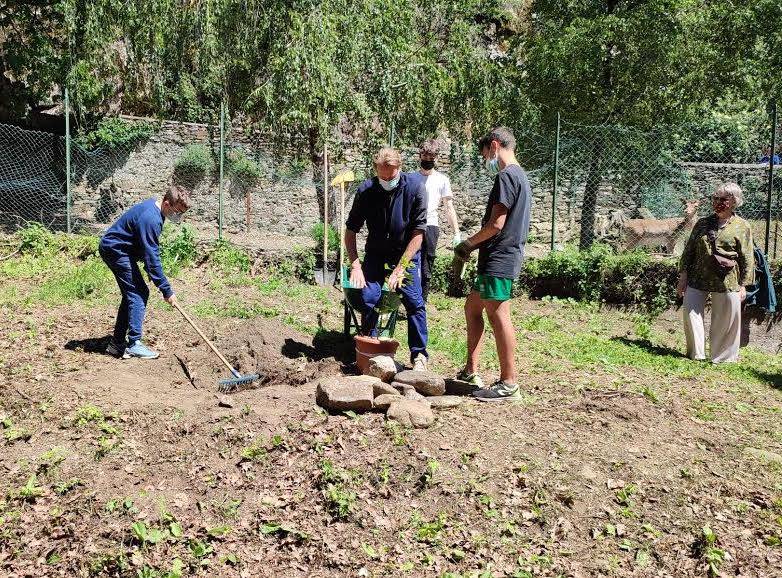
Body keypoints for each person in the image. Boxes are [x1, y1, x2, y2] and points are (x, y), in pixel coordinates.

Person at [452, 127, 531, 401]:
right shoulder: (520, 176)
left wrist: (468, 244)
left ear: (495, 146)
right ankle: (470, 370)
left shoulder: (507, 176)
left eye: (486, 153)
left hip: (499, 258)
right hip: (498, 259)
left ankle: (509, 383)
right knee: (472, 307)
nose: (486, 160)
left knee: (499, 317)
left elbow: (496, 225)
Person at [345, 147, 430, 371]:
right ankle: (370, 344)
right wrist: (355, 266)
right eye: (382, 176)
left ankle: (419, 355)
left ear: (399, 169)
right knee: (368, 297)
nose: (386, 180)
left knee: (413, 301)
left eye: (390, 176)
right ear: (376, 170)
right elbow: (350, 231)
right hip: (375, 251)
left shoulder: (415, 189)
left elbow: (418, 234)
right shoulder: (366, 191)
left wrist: (401, 268)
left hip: (405, 253)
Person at [99, 183, 190, 359]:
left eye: (181, 213)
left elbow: (145, 248)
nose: (177, 216)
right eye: (177, 211)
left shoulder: (156, 212)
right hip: (115, 250)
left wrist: (152, 272)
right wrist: (166, 289)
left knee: (131, 294)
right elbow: (152, 256)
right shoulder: (151, 218)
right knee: (138, 293)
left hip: (121, 250)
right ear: (166, 203)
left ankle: (116, 344)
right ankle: (133, 343)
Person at [677, 182, 755, 363]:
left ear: (734, 201)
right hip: (698, 277)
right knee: (691, 312)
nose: (718, 202)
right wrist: (683, 277)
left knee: (725, 319)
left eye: (723, 199)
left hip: (727, 280)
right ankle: (696, 354)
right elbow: (689, 250)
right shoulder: (703, 223)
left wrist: (743, 285)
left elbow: (747, 257)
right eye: (715, 198)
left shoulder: (742, 226)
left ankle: (722, 357)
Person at [418, 139, 461, 301]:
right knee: (407, 261)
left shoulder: (442, 180)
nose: (428, 160)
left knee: (427, 263)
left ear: (436, 158)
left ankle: (422, 301)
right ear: (420, 155)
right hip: (412, 225)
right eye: (425, 156)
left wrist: (456, 233)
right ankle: (405, 298)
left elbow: (449, 207)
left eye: (431, 157)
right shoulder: (410, 178)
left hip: (431, 226)